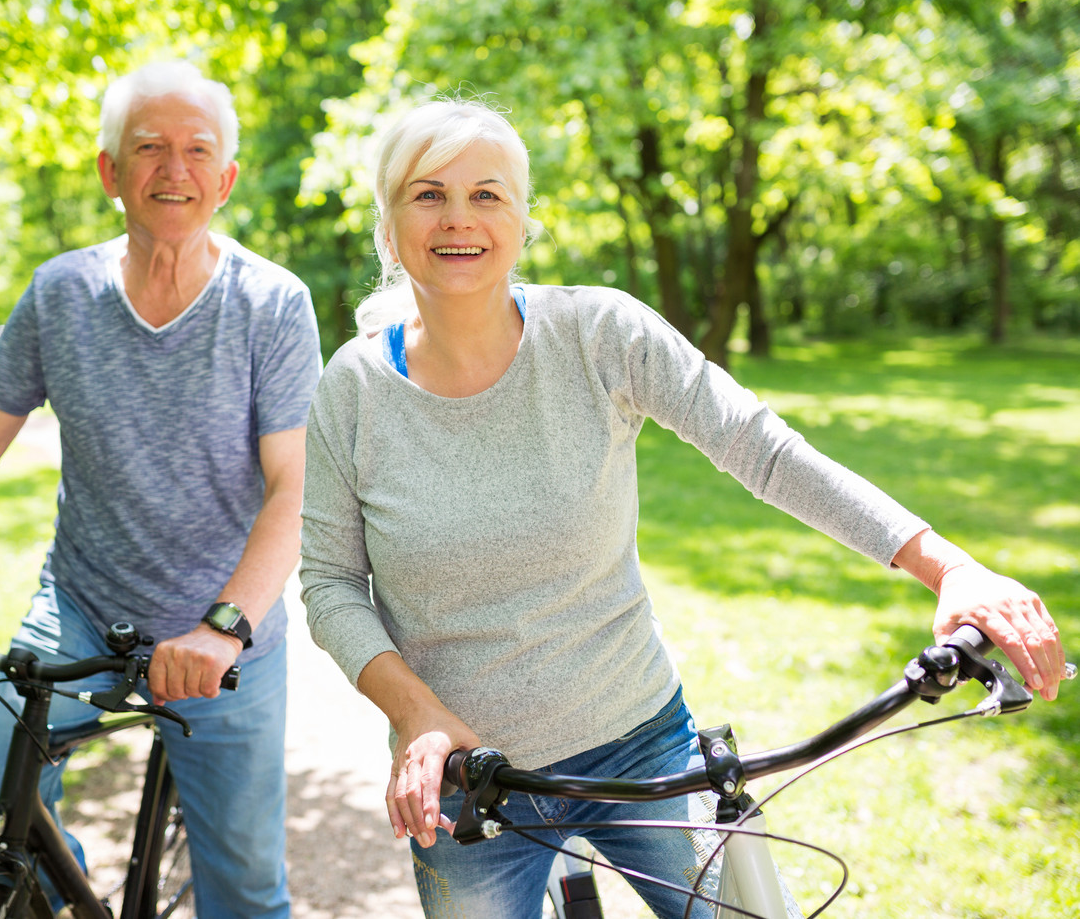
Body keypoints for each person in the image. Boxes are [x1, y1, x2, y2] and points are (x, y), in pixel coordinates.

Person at [297, 98, 1066, 919]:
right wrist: (417, 716)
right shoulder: (353, 390)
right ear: (389, 222)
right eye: (428, 194)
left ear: (523, 221)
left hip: (641, 738)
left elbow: (760, 447)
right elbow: (332, 582)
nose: (459, 218)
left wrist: (947, 565)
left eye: (487, 194)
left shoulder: (599, 333)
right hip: (468, 778)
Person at [0, 60, 321, 917]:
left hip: (225, 633)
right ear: (109, 171)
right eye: (148, 149)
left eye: (196, 151)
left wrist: (222, 629)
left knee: (246, 893)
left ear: (227, 178)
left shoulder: (271, 302)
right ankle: (52, 896)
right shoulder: (60, 293)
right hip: (81, 606)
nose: (173, 170)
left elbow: (295, 487)